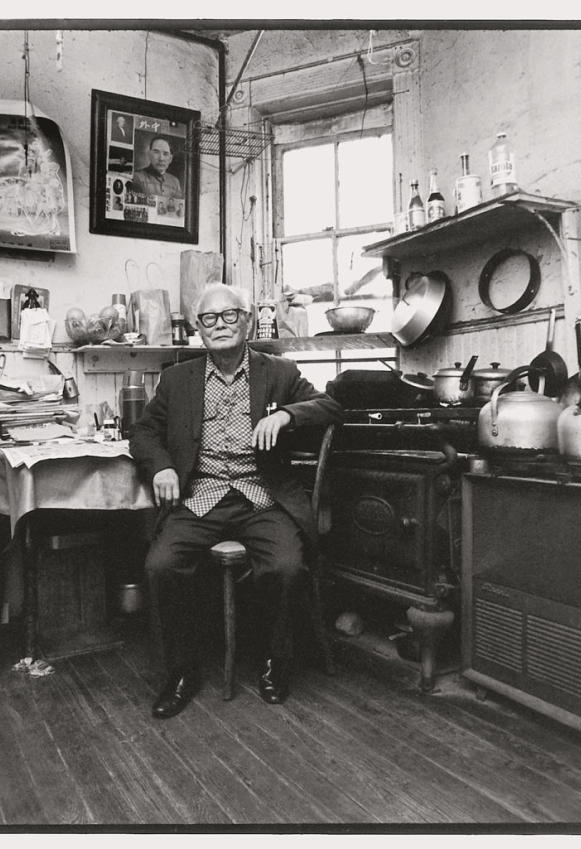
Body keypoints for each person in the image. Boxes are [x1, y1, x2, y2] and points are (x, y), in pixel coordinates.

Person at [130, 283, 342, 719]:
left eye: (230, 316)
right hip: (200, 495)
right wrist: (163, 467)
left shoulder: (279, 372)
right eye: (209, 319)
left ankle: (275, 661)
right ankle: (182, 672)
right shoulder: (177, 379)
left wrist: (287, 414)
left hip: (261, 496)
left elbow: (328, 405)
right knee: (161, 565)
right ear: (198, 329)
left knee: (285, 566)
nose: (220, 325)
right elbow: (144, 432)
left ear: (247, 321)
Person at [128, 135, 183, 201]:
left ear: (170, 159)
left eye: (165, 154)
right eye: (156, 152)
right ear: (149, 154)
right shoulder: (137, 177)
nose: (161, 158)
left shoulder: (175, 182)